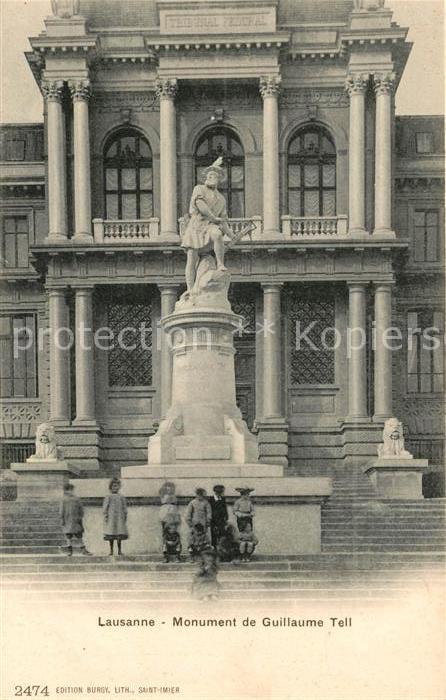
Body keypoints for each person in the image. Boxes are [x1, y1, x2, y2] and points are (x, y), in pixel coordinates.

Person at [181, 156, 233, 296]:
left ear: (219, 180)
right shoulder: (199, 189)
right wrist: (213, 217)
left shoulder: (221, 199)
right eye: (209, 175)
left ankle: (220, 263)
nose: (211, 177)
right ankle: (190, 288)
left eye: (214, 176)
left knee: (217, 234)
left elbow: (223, 221)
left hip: (210, 227)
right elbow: (201, 206)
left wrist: (231, 234)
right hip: (196, 227)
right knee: (191, 258)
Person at [60, 482, 91, 556]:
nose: (70, 492)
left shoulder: (77, 499)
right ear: (65, 491)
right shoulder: (63, 500)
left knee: (79, 535)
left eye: (71, 490)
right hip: (67, 520)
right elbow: (61, 510)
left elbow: (81, 509)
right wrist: (62, 519)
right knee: (68, 536)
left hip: (76, 520)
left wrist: (80, 517)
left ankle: (83, 550)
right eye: (68, 490)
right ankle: (69, 550)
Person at [103, 477, 128, 556]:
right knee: (111, 535)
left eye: (117, 486)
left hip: (119, 519)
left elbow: (125, 507)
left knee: (119, 535)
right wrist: (106, 516)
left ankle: (119, 551)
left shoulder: (121, 497)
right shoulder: (108, 496)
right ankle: (111, 550)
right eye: (113, 486)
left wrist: (125, 515)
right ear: (110, 487)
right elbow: (105, 507)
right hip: (111, 518)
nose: (115, 488)